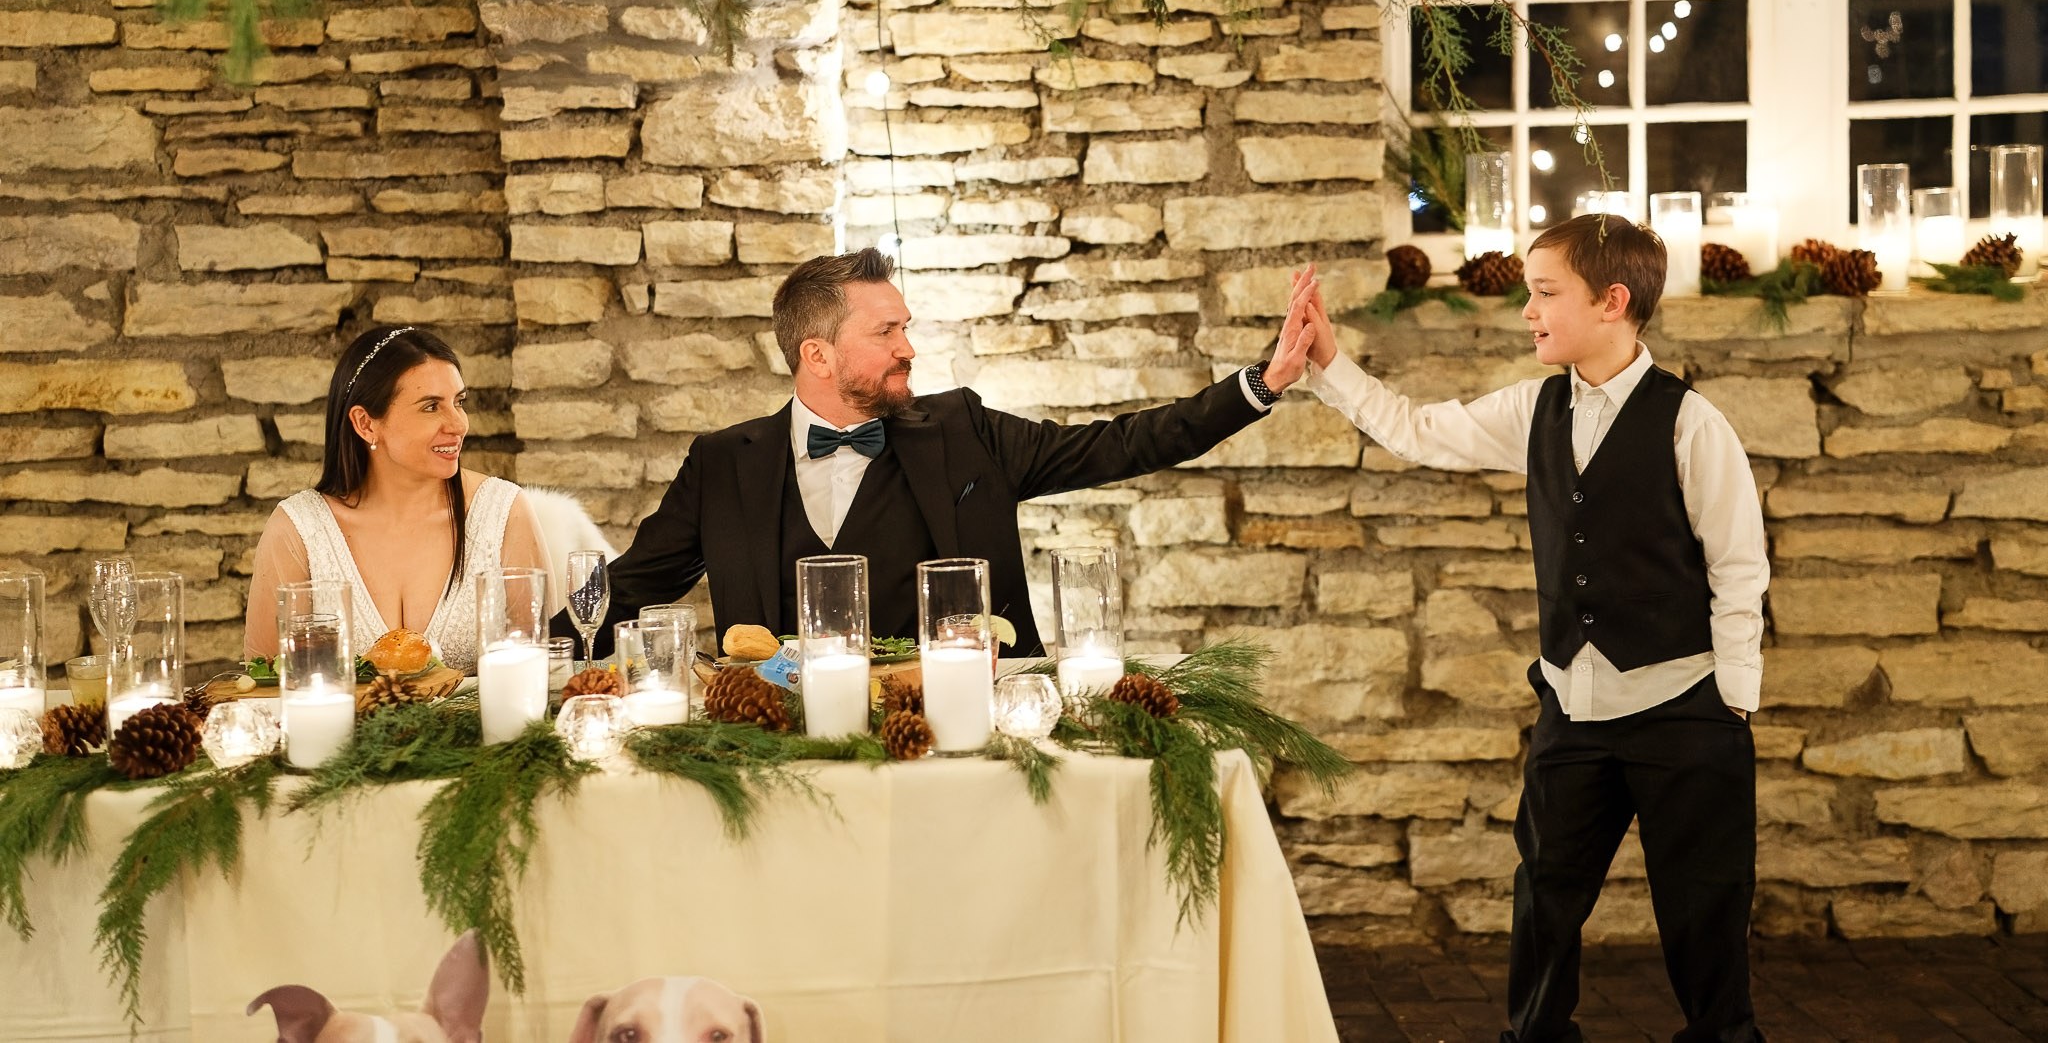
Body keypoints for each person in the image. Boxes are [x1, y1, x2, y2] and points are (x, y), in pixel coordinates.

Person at [1292, 215, 1769, 1043]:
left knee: (1703, 912)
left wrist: (1733, 700)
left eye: (1546, 292)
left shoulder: (1693, 424)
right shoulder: (1532, 408)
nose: (1528, 310)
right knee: (1545, 898)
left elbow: (1739, 565)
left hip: (1684, 709)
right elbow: (1417, 429)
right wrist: (1329, 362)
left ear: (1613, 300)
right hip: (1572, 708)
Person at [566, 247, 1319, 655]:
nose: (909, 348)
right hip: (781, 761)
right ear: (817, 355)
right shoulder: (724, 463)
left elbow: (1120, 444)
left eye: (906, 327)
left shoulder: (964, 433)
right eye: (886, 334)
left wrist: (1263, 381)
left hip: (956, 748)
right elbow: (629, 585)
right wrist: (504, 666)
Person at [245, 325, 551, 675]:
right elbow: (263, 685)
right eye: (431, 406)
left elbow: (544, 671)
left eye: (459, 402)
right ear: (365, 423)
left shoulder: (504, 512)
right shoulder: (297, 530)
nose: (458, 424)